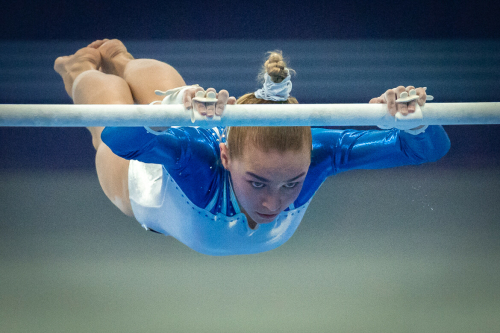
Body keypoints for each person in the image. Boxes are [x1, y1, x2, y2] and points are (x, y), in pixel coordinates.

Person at [54, 39, 451, 256]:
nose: (273, 202)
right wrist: (164, 115)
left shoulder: (317, 154)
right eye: (258, 183)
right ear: (225, 156)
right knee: (112, 110)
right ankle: (80, 69)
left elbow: (425, 149)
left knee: (160, 94)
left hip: (165, 154)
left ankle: (122, 58)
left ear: (307, 160)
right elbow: (122, 141)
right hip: (140, 172)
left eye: (291, 183)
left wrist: (413, 123)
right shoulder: (200, 157)